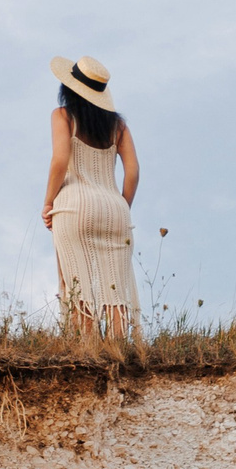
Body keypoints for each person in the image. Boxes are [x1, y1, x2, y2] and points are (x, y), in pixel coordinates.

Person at [42, 56, 141, 340]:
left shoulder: (62, 116)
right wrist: (122, 205)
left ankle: (87, 350)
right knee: (116, 286)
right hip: (115, 208)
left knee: (76, 281)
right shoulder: (118, 125)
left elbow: (60, 160)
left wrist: (48, 202)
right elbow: (133, 171)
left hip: (74, 206)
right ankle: (118, 349)